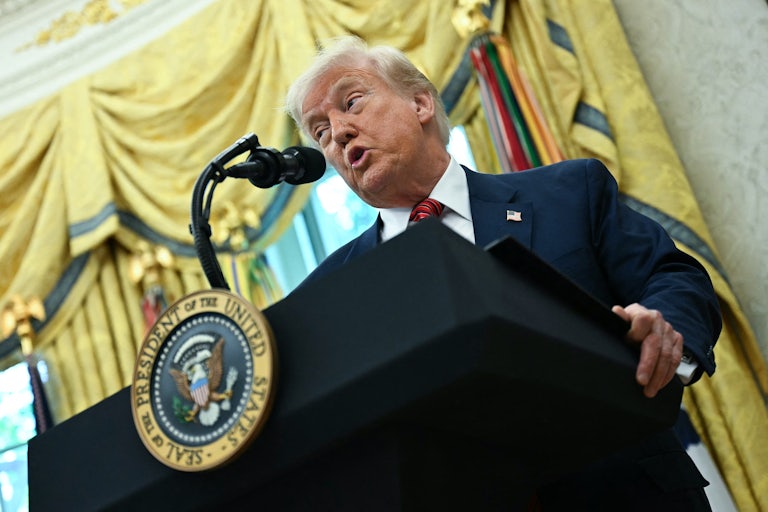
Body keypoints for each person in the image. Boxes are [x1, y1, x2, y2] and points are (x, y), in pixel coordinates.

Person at [285, 36, 721, 510]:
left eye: (352, 102)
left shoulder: (569, 192)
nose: (339, 133)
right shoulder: (328, 294)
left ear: (420, 102)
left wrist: (663, 329)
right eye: (321, 131)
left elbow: (676, 276)